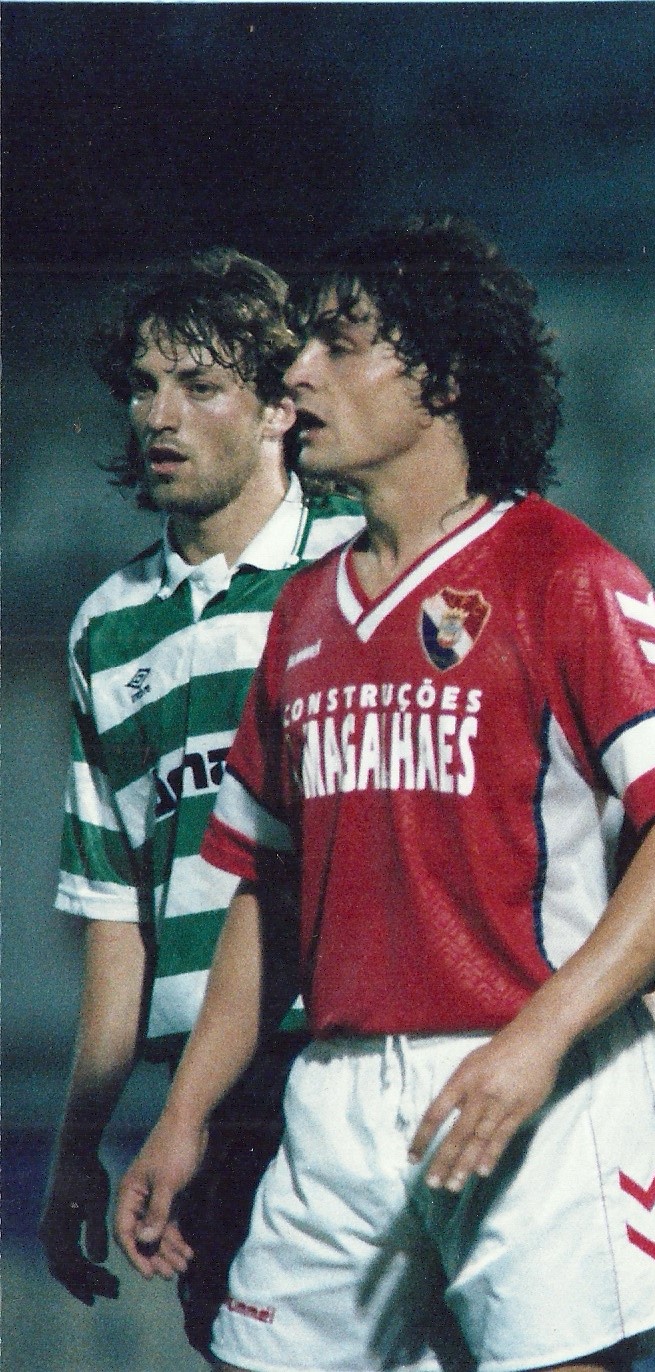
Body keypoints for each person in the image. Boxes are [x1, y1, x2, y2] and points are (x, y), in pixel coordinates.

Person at [112, 214, 655, 1372]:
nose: (296, 374)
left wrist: (540, 1039)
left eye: (338, 345)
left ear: (444, 378)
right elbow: (265, 889)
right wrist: (185, 1114)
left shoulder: (566, 571)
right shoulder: (302, 611)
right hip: (339, 1095)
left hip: (543, 1084)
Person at [39, 247, 363, 1356]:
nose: (159, 415)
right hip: (206, 1100)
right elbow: (117, 914)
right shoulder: (108, 625)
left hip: (353, 1054)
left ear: (280, 406)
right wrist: (79, 1145)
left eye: (200, 384)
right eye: (144, 386)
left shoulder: (363, 564)